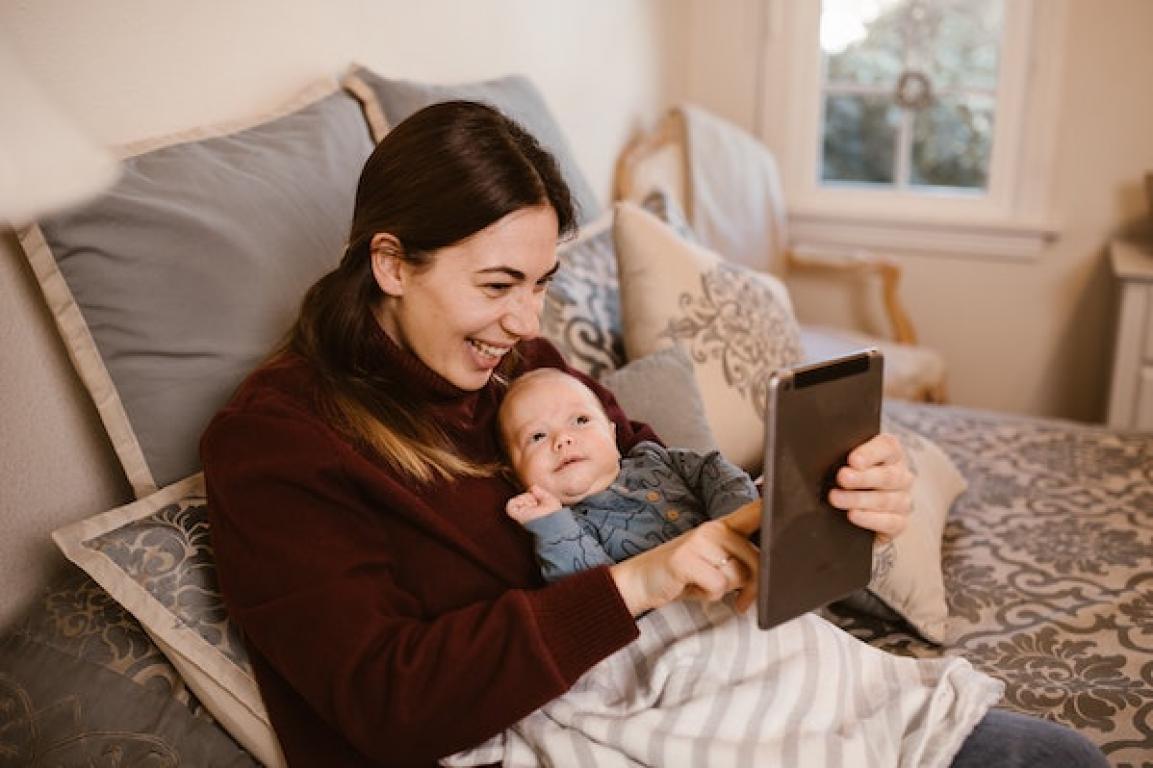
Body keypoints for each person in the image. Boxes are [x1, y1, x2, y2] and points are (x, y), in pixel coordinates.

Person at [200, 100, 1107, 767]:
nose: (524, 321)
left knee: (1063, 760)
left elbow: (656, 476)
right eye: (496, 284)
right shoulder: (280, 445)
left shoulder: (520, 368)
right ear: (391, 263)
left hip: (724, 679)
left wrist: (838, 503)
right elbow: (387, 702)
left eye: (543, 282)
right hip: (589, 725)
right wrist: (638, 579)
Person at [497, 367, 759, 583]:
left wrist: (735, 524)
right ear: (515, 475)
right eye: (537, 436)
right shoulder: (568, 528)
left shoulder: (655, 458)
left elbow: (714, 470)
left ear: (612, 435)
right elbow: (593, 592)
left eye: (580, 420)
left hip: (741, 566)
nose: (563, 439)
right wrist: (550, 523)